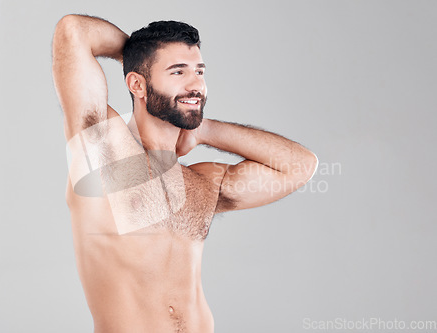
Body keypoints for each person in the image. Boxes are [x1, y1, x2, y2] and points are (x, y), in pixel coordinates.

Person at [52, 14, 318, 333]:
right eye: (177, 71)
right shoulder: (103, 151)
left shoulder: (200, 184)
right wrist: (137, 55)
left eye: (199, 72)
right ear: (137, 84)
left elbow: (301, 165)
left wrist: (205, 130)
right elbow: (73, 31)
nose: (195, 84)